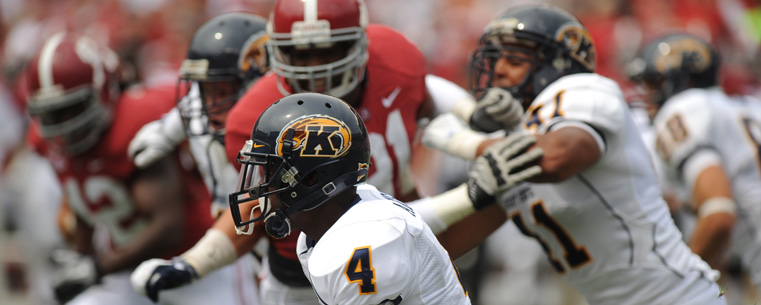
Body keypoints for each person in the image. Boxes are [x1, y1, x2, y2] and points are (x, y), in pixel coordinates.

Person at [422, 4, 727, 304]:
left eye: (514, 59)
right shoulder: (511, 143)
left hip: (679, 298)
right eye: (496, 57)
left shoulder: (586, 90)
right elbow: (445, 245)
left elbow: (559, 156)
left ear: (555, 66)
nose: (499, 69)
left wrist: (466, 143)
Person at [23, 32, 249, 305]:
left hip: (193, 262)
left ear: (105, 91)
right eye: (52, 114)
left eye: (72, 109)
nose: (63, 126)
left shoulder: (134, 126)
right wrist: (83, 259)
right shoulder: (49, 143)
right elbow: (81, 200)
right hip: (125, 271)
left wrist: (97, 268)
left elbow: (169, 228)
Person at [236, 92, 472, 304]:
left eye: (270, 172)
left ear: (309, 179)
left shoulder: (366, 243)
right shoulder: (321, 232)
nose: (262, 186)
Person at [127, 12, 269, 304]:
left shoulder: (282, 129)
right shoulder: (197, 108)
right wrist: (165, 132)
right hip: (236, 235)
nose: (210, 104)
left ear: (260, 83)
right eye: (206, 90)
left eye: (224, 90)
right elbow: (190, 107)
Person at [628, 32, 761, 291]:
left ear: (684, 80)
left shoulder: (685, 109)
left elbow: (718, 213)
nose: (647, 96)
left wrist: (679, 287)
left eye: (654, 84)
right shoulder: (749, 106)